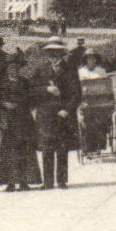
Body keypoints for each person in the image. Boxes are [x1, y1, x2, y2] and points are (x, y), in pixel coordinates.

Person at [28, 37, 80, 188]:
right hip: (45, 114)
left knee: (62, 147)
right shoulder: (41, 70)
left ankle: (62, 180)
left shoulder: (70, 70)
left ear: (62, 53)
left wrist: (67, 110)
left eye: (57, 52)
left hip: (62, 114)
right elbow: (30, 90)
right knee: (47, 148)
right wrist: (46, 89)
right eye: (51, 52)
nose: (53, 55)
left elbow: (76, 94)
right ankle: (48, 181)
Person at [0, 50, 38, 191]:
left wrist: (22, 103)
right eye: (10, 68)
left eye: (16, 68)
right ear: (7, 69)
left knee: (24, 150)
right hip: (7, 121)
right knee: (8, 152)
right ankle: (10, 183)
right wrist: (4, 104)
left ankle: (23, 181)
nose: (13, 70)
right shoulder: (1, 84)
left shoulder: (24, 82)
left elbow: (31, 98)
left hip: (23, 120)